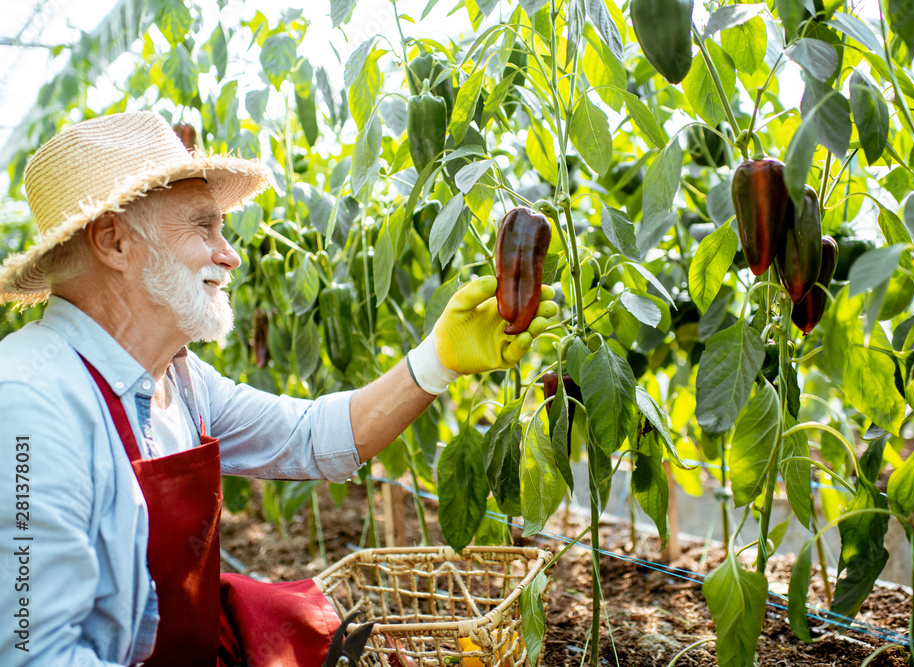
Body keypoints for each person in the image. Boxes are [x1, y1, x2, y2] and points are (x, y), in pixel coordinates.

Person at [0, 111, 556, 666]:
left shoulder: (179, 379)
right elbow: (34, 653)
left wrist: (438, 359)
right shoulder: (29, 405)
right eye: (202, 227)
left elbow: (311, 436)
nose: (230, 254)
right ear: (114, 242)